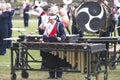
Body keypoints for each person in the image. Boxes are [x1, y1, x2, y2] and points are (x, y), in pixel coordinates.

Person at [42, 13, 66, 79]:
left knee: (58, 60)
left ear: (54, 19)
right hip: (49, 44)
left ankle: (59, 75)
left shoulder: (59, 24)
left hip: (57, 45)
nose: (49, 20)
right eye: (49, 19)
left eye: (51, 19)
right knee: (50, 60)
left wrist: (61, 38)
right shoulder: (47, 25)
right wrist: (43, 39)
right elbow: (45, 34)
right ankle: (51, 75)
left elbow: (64, 34)